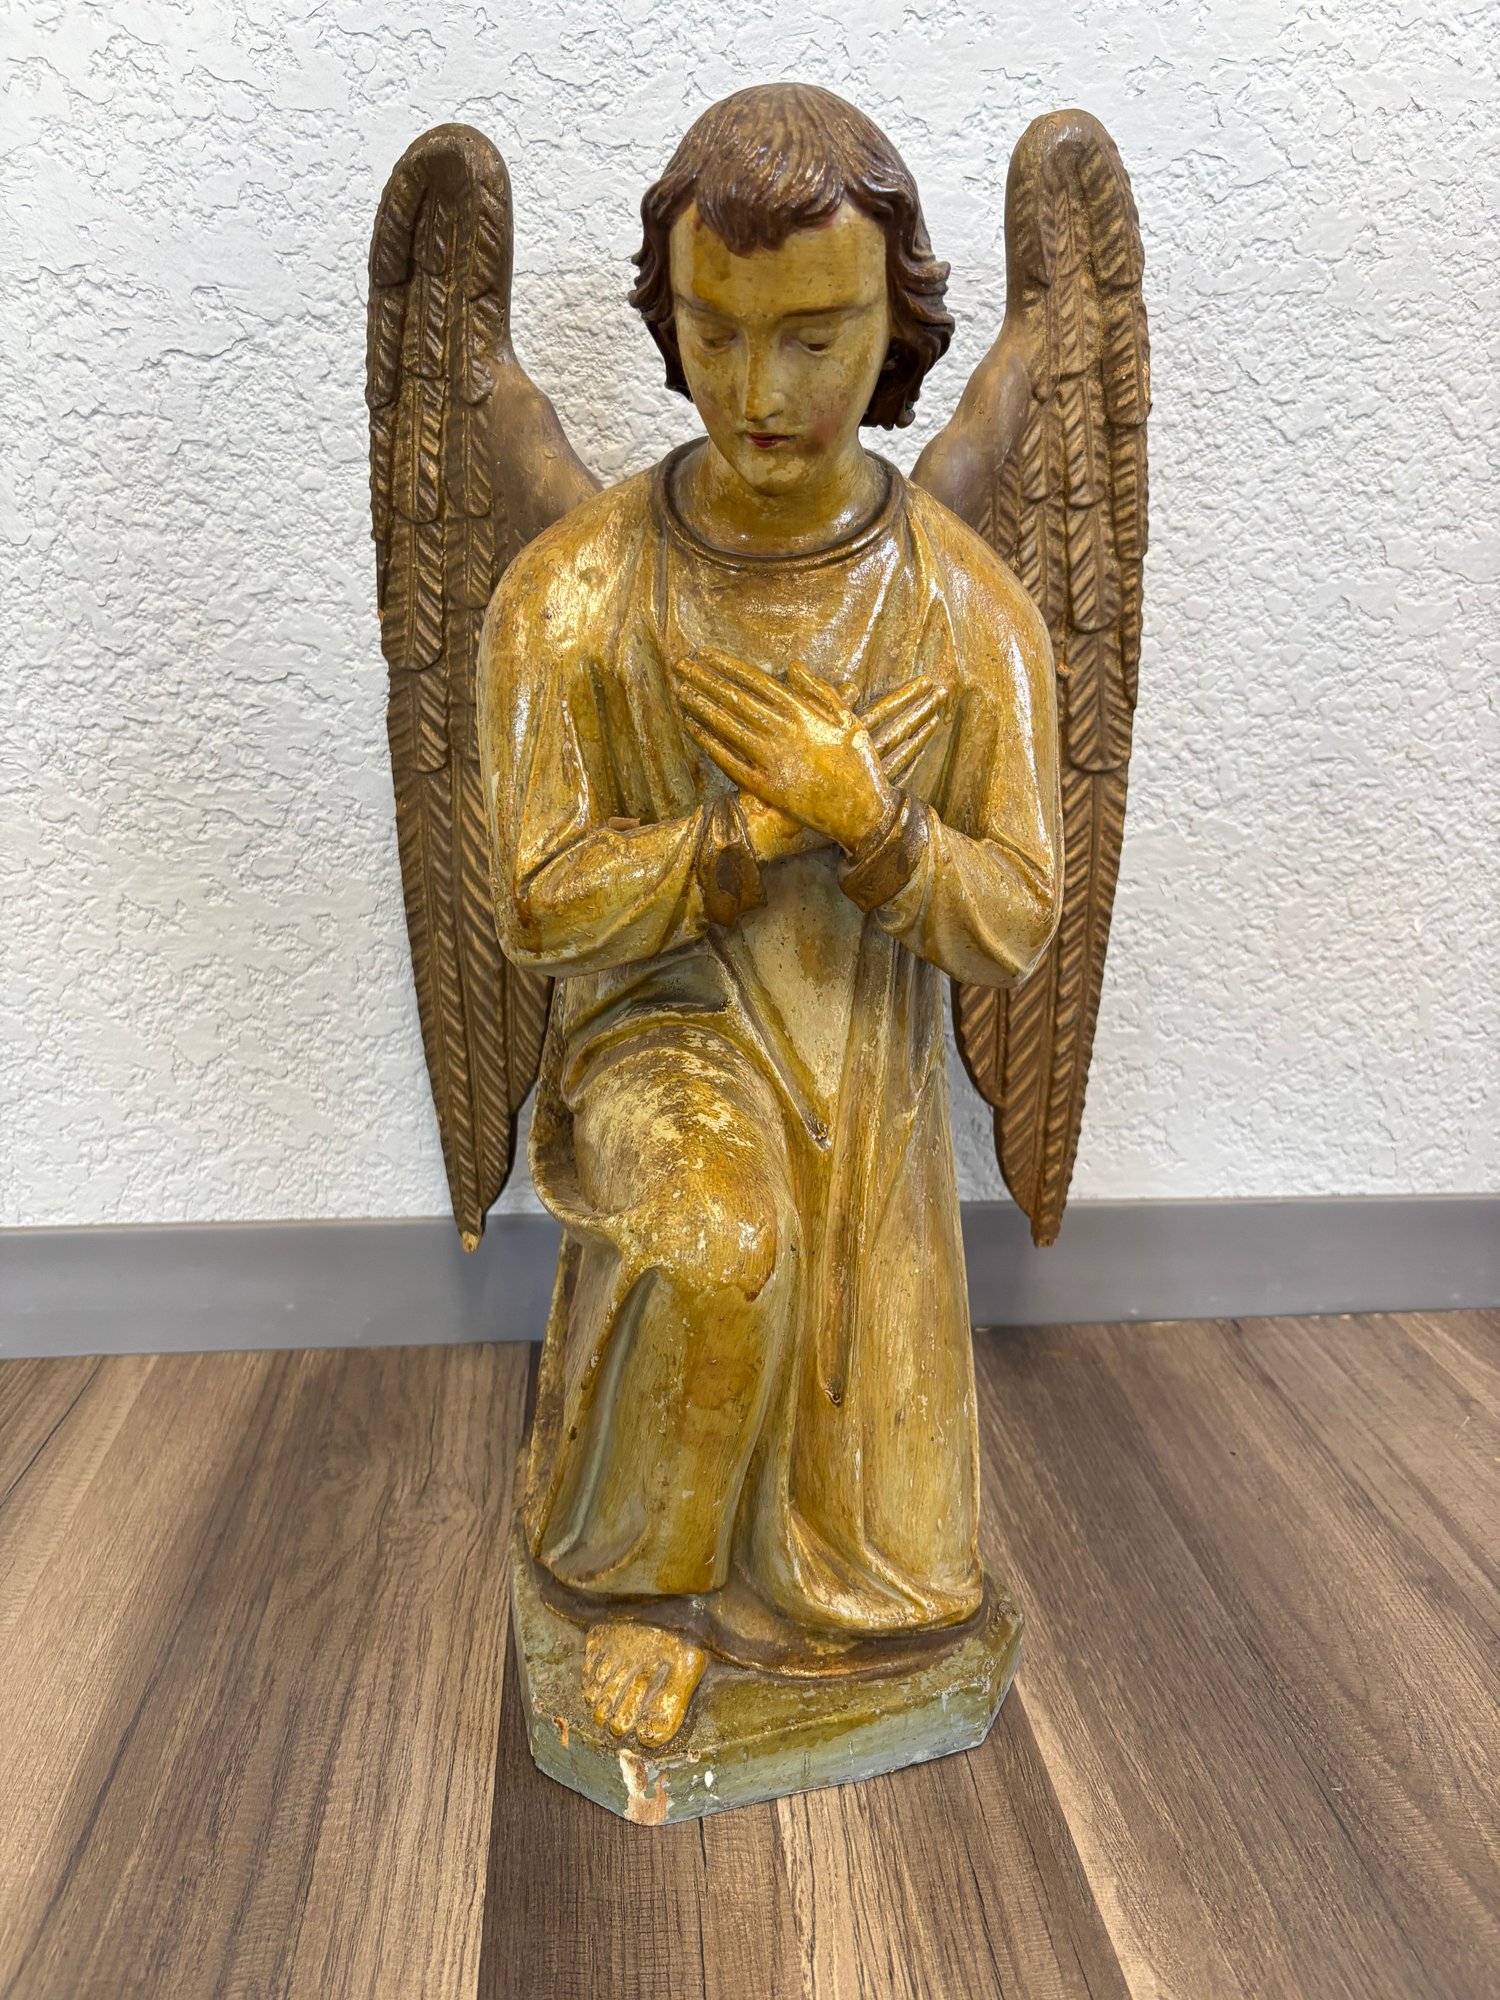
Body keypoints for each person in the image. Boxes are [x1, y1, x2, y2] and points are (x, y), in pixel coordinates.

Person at [478, 82, 1061, 1748]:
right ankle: (644, 1587)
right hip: (656, 1044)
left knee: (900, 1587)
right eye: (718, 332)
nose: (760, 391)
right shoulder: (578, 593)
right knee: (720, 1238)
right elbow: (535, 902)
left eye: (815, 338)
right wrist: (750, 829)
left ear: (898, 331)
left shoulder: (964, 607)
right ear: (669, 316)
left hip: (862, 1082)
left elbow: (1017, 919)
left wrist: (877, 826)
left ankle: (806, 1579)